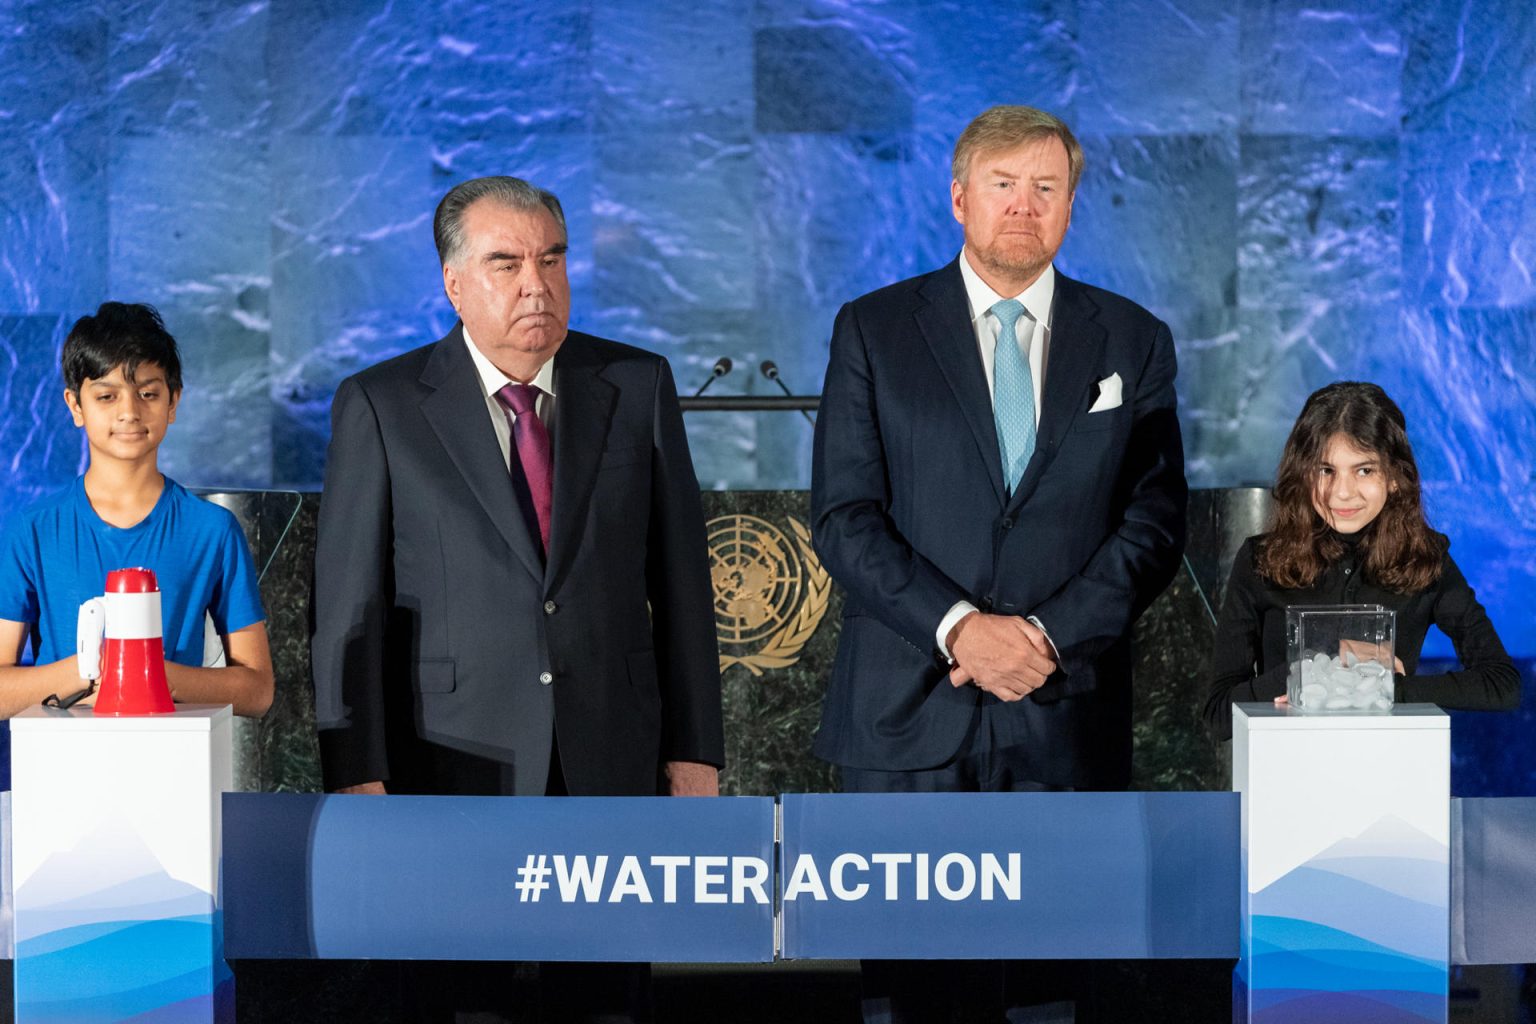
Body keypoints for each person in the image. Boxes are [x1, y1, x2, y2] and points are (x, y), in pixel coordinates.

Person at [310, 175, 723, 1022]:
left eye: (553, 259)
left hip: (608, 757)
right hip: (452, 768)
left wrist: (696, 750)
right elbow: (347, 607)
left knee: (605, 999)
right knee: (460, 999)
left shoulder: (635, 384)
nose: (537, 284)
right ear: (456, 283)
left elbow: (682, 586)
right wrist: (357, 773)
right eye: (507, 263)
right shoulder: (383, 405)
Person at [811, 105, 1187, 1022]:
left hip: (1063, 713)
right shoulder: (873, 329)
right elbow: (844, 516)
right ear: (959, 198)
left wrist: (1047, 637)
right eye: (1004, 185)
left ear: (1070, 207)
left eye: (1046, 188)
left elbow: (1154, 520)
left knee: (1062, 987)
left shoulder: (1131, 341)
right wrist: (960, 630)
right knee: (918, 994)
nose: (1025, 206)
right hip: (907, 722)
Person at [0, 302, 274, 719]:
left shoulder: (212, 529)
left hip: (174, 764)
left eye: (148, 393)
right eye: (107, 396)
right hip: (61, 766)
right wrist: (94, 668)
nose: (129, 411)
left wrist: (148, 673)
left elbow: (257, 689)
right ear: (75, 406)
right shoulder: (31, 531)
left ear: (173, 401)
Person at [1202, 381, 1518, 740]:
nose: (1342, 491)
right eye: (1326, 470)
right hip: (1287, 773)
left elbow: (1502, 684)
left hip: (1386, 774)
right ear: (1304, 474)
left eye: (1364, 470)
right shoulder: (1261, 560)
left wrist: (1389, 690)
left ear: (1396, 478)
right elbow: (1216, 716)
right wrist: (1321, 665)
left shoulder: (1427, 559)